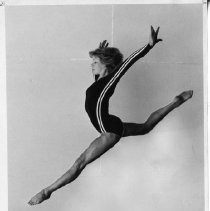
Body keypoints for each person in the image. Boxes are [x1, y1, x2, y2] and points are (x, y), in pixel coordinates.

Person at [28, 26, 193, 205]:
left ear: (106, 65)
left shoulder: (110, 79)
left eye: (95, 62)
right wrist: (101, 52)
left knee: (79, 164)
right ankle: (176, 101)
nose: (91, 65)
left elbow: (128, 62)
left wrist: (149, 46)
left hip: (108, 130)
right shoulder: (100, 82)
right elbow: (97, 96)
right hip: (109, 124)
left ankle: (46, 192)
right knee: (145, 128)